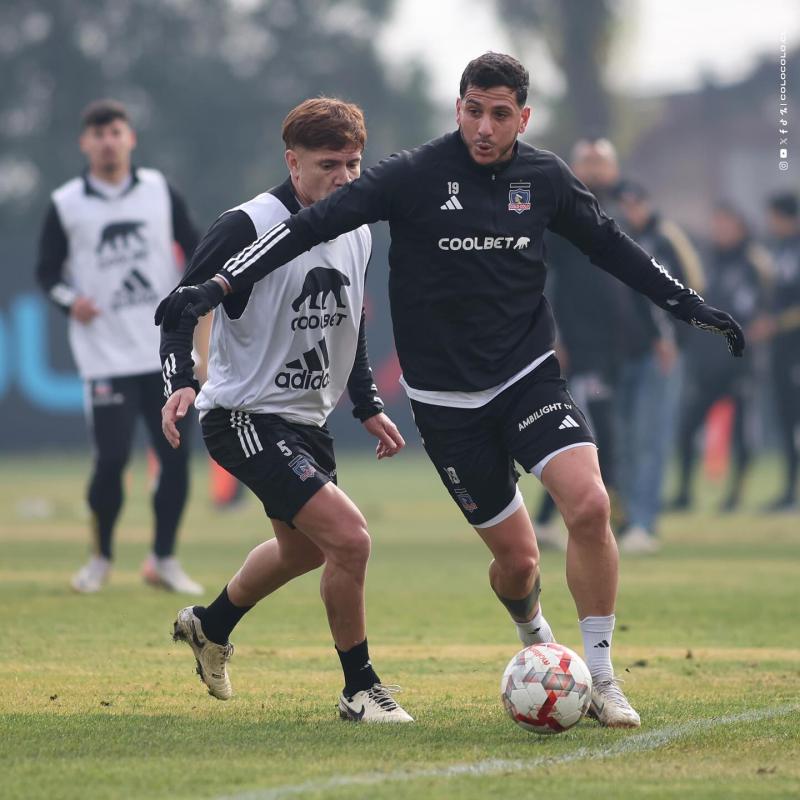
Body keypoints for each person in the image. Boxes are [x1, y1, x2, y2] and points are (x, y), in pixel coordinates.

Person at [157, 54, 745, 728]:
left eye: (500, 114)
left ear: (523, 117)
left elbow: (609, 245)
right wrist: (218, 293)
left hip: (527, 378)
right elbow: (299, 232)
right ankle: (424, 662)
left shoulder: (544, 178)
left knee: (587, 505)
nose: (485, 126)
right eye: (474, 110)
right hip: (424, 407)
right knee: (494, 560)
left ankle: (602, 679)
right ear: (457, 108)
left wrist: (687, 305)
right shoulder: (407, 178)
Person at [160, 98, 413, 723]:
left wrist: (366, 405)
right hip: (243, 416)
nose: (346, 179)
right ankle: (360, 689)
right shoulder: (246, 225)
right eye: (330, 165)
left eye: (354, 164)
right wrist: (178, 380)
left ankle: (209, 625)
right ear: (291, 162)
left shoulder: (357, 228)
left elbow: (348, 325)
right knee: (350, 540)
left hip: (306, 421)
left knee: (304, 551)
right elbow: (179, 306)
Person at [36, 99, 202, 595]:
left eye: (116, 132)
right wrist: (71, 300)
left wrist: (190, 298)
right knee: (110, 462)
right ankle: (101, 558)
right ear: (85, 143)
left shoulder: (158, 191)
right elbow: (47, 273)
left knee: (173, 461)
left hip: (163, 350)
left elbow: (196, 248)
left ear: (130, 138)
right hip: (105, 354)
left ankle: (163, 560)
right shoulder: (66, 202)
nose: (108, 141)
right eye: (98, 134)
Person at [532, 138, 630, 551]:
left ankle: (561, 518)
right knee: (588, 431)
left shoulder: (622, 215)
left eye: (601, 162)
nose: (594, 170)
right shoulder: (562, 217)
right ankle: (610, 519)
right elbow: (543, 280)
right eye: (587, 162)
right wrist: (554, 338)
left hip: (619, 348)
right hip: (577, 348)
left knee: (607, 432)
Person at [614, 180, 705, 553]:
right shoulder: (616, 239)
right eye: (626, 205)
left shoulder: (666, 238)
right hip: (624, 353)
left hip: (660, 354)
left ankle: (644, 522)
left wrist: (670, 339)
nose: (632, 211)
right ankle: (625, 519)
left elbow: (690, 287)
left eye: (637, 204)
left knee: (651, 438)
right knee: (622, 442)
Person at [669, 203, 770, 512]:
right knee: (687, 427)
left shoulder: (755, 263)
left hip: (740, 363)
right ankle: (685, 492)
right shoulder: (709, 260)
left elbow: (766, 311)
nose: (719, 230)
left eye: (725, 224)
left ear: (740, 226)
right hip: (707, 361)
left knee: (742, 432)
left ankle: (735, 496)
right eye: (717, 224)